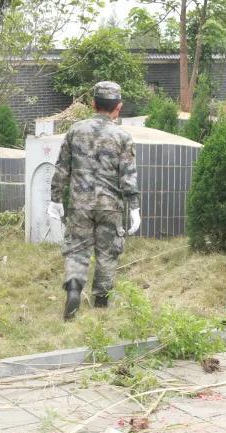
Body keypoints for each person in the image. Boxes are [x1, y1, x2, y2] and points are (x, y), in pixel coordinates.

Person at [48, 81, 141, 320]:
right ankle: (101, 301)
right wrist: (134, 208)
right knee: (107, 252)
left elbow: (61, 168)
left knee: (77, 249)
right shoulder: (123, 137)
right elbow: (128, 176)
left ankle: (73, 289)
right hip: (110, 205)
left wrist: (56, 199)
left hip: (79, 203)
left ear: (93, 104)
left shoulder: (75, 131)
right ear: (118, 107)